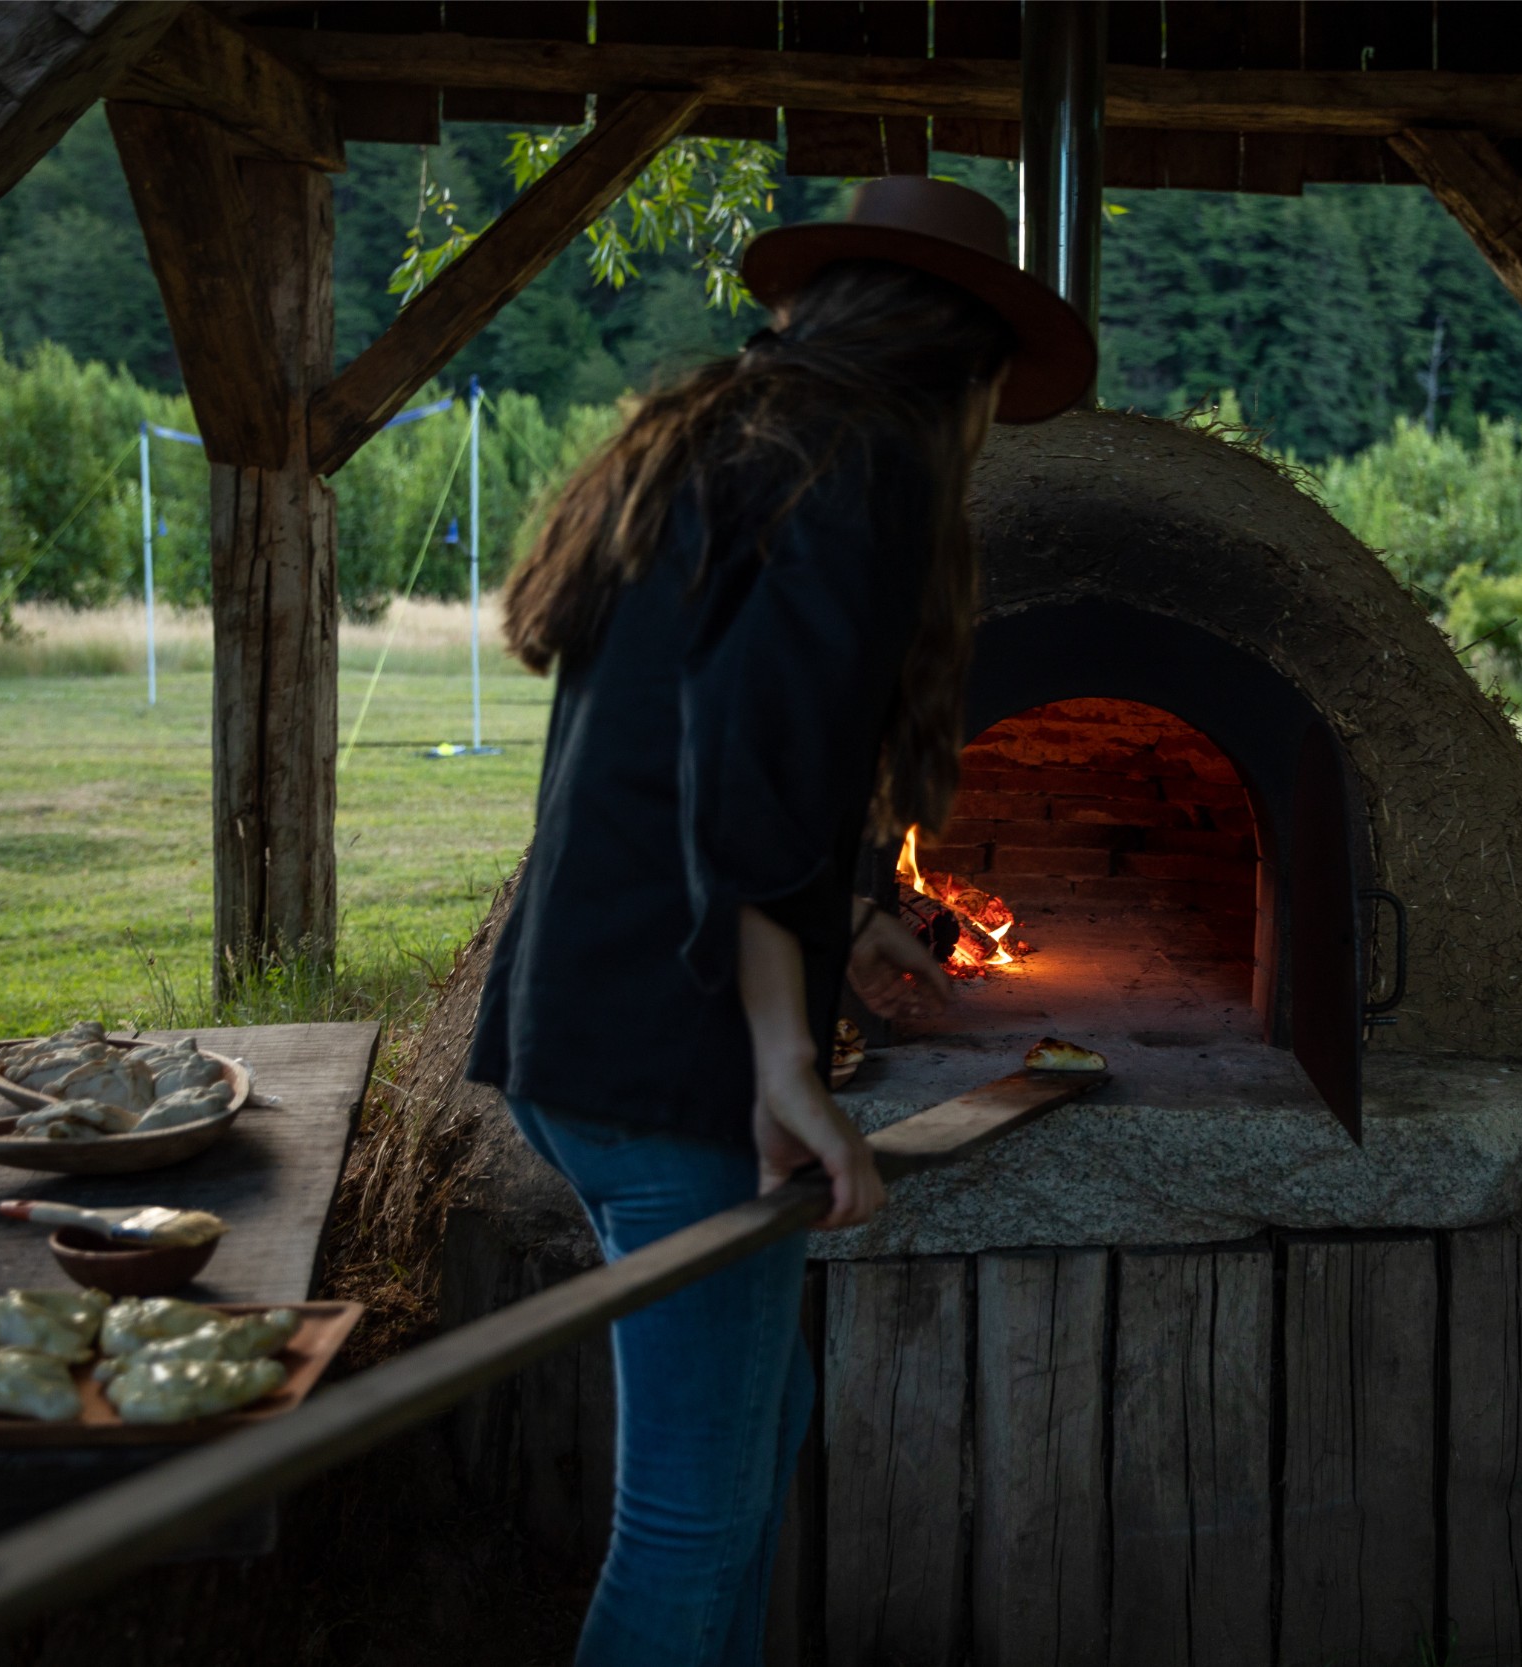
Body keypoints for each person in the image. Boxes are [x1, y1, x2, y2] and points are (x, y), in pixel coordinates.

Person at [465, 177, 1095, 1666]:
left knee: (757, 1436)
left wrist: (851, 925)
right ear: (964, 364)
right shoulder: (865, 459)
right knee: (686, 1523)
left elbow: (700, 759)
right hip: (676, 1068)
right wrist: (784, 1060)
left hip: (575, 1029)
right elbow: (752, 773)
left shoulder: (718, 443)